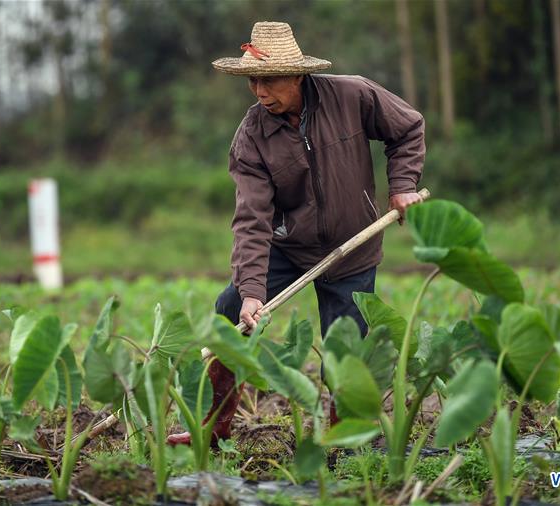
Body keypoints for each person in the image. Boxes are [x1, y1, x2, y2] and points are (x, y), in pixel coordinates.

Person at [167, 21, 425, 446]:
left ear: (297, 75)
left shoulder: (352, 95)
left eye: (268, 81)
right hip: (289, 245)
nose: (259, 92)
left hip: (352, 248)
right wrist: (252, 290)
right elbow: (252, 219)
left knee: (346, 349)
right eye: (252, 81)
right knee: (231, 308)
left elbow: (408, 128)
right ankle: (214, 425)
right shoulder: (252, 137)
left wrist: (403, 186)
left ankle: (347, 440)